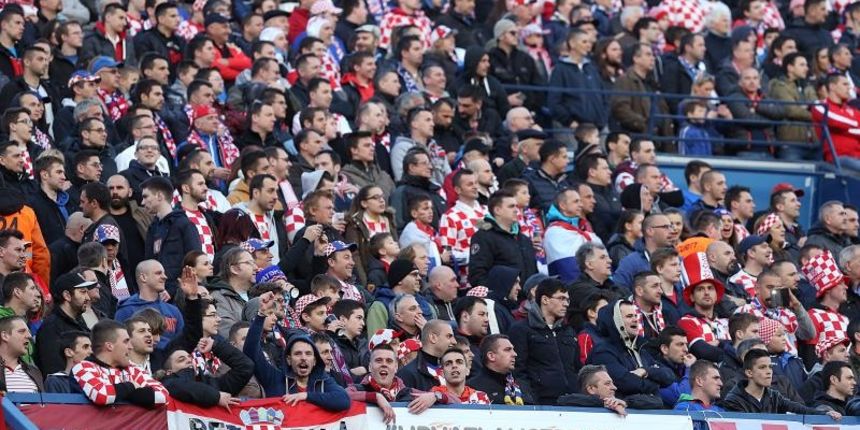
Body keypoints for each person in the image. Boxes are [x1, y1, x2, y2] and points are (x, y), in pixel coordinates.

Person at [243, 291, 350, 409]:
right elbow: (250, 351)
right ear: (288, 359)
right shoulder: (274, 378)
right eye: (297, 353)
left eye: (308, 354)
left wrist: (306, 396)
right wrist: (261, 315)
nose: (303, 357)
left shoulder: (322, 380)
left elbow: (344, 400)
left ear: (315, 360)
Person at [510, 278, 579, 405]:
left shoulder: (568, 331)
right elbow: (518, 370)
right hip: (540, 404)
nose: (566, 304)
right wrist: (528, 399)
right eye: (561, 298)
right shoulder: (521, 330)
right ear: (545, 299)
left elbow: (577, 367)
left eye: (567, 299)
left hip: (572, 402)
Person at [72, 319, 169, 407]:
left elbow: (163, 396)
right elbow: (102, 395)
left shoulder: (132, 369)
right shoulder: (83, 367)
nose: (130, 347)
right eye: (126, 341)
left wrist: (122, 392)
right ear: (110, 346)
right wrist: (132, 385)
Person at [723, 349, 840, 418]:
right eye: (762, 367)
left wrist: (825, 413)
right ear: (749, 372)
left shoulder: (774, 396)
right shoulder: (733, 400)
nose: (769, 371)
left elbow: (802, 409)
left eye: (770, 367)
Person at [141, 177, 202, 297]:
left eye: (145, 196)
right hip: (157, 295)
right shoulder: (152, 228)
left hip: (182, 295)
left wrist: (173, 289)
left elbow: (194, 262)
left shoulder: (184, 225)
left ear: (159, 196)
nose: (142, 202)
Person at [468, 190, 537, 288]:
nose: (516, 210)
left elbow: (534, 272)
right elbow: (477, 275)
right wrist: (498, 297)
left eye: (516, 206)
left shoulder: (524, 239)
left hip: (528, 300)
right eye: (511, 206)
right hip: (502, 300)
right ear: (497, 210)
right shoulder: (483, 237)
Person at [35, 271, 96, 376]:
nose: (88, 298)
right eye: (82, 292)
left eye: (87, 292)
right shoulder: (51, 327)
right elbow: (53, 370)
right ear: (67, 295)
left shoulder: (81, 324)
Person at [114, 260, 184, 349]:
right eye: (158, 273)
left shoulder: (173, 310)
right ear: (143, 277)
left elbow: (183, 343)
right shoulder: (126, 310)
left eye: (164, 273)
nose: (165, 277)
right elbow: (121, 344)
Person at [468, 334, 532, 405]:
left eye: (513, 350)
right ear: (491, 356)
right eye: (507, 350)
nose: (515, 354)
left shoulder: (522, 385)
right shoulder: (473, 388)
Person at [397, 319, 456, 391]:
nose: (454, 342)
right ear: (433, 338)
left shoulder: (453, 369)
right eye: (449, 336)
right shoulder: (407, 374)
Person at [556, 365, 628, 415]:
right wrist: (606, 403)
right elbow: (563, 400)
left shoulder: (620, 403)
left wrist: (625, 403)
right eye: (607, 384)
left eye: (612, 383)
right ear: (591, 389)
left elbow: (638, 400)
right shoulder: (574, 409)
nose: (614, 387)